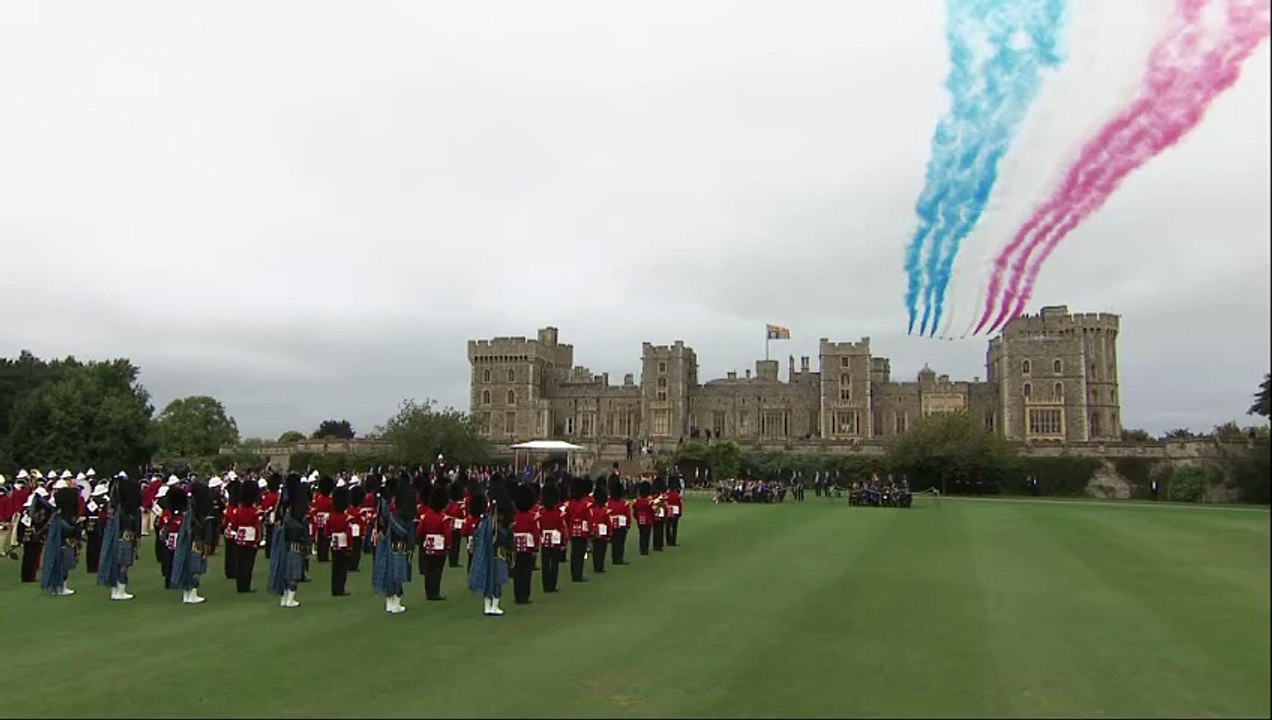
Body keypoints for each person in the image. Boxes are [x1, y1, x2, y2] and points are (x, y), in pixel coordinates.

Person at [468, 477, 513, 616]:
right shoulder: (494, 523)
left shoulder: (484, 522)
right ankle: (494, 605)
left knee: (489, 579)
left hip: (487, 554)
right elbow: (503, 537)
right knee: (497, 580)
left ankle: (488, 606)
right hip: (497, 553)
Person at [371, 475, 415, 614]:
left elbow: (379, 523)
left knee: (387, 572)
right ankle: (395, 602)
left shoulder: (383, 503)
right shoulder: (398, 506)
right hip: (396, 541)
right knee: (397, 572)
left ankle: (389, 602)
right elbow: (404, 527)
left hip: (385, 541)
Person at [267, 474, 309, 609]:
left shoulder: (282, 500)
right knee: (294, 569)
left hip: (281, 538)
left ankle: (284, 598)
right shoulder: (299, 499)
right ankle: (290, 598)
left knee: (283, 568)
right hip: (294, 538)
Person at [97, 474, 140, 600]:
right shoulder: (127, 511)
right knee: (123, 564)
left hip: (118, 537)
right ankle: (120, 590)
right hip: (125, 537)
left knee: (116, 563)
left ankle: (115, 590)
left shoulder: (116, 509)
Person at [169, 484, 211, 605]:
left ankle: (186, 594)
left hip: (187, 543)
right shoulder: (200, 514)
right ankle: (192, 593)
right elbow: (204, 533)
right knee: (196, 568)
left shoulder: (188, 512)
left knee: (188, 567)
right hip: (196, 542)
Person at [39, 485, 81, 596]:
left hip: (59, 543)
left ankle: (56, 586)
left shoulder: (57, 514)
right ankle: (61, 587)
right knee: (63, 565)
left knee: (59, 564)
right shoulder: (65, 516)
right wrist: (76, 528)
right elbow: (69, 529)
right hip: (64, 543)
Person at [417, 483, 451, 601]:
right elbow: (447, 534)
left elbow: (420, 532)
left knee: (429, 570)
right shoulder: (443, 518)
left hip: (428, 546)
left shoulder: (425, 517)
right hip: (439, 547)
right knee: (437, 570)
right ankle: (435, 592)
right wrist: (448, 546)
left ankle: (429, 592)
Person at [227, 480, 262, 593]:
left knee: (240, 563)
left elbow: (234, 526)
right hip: (250, 540)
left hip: (239, 539)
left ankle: (240, 586)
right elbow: (257, 527)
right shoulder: (255, 512)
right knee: (248, 564)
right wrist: (257, 540)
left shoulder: (238, 511)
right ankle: (246, 586)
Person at [509, 482, 539, 605]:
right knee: (526, 572)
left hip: (516, 545)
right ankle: (524, 595)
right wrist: (536, 546)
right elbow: (535, 534)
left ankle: (518, 595)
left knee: (517, 571)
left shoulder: (514, 517)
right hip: (528, 546)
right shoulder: (532, 517)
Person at [536, 482, 565, 593]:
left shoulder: (541, 512)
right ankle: (552, 584)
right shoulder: (558, 513)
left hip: (545, 540)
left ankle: (546, 585)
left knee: (545, 563)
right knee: (554, 563)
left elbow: (539, 527)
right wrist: (563, 542)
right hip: (556, 540)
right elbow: (561, 529)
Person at [327, 486, 353, 597]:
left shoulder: (331, 516)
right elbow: (348, 533)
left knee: (335, 566)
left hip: (334, 542)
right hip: (343, 543)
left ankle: (335, 588)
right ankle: (340, 588)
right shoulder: (345, 517)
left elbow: (327, 531)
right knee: (342, 567)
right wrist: (350, 547)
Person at [566, 476, 592, 582]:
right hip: (582, 530)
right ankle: (578, 574)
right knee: (580, 553)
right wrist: (591, 531)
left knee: (574, 552)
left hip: (572, 529)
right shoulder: (585, 504)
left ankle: (574, 573)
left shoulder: (570, 504)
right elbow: (589, 518)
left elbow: (567, 518)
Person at [606, 477, 633, 566]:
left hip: (612, 524)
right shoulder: (624, 503)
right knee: (620, 542)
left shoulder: (609, 503)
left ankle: (614, 558)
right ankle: (619, 558)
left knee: (614, 542)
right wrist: (628, 524)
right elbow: (627, 515)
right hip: (621, 524)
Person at [588, 483, 611, 574]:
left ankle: (596, 566)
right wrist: (609, 533)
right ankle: (600, 566)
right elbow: (608, 523)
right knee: (602, 549)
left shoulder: (591, 509)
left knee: (596, 549)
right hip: (603, 531)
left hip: (594, 531)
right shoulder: (605, 510)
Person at [346, 485, 367, 573]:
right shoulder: (358, 512)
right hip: (356, 531)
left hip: (350, 531)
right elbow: (361, 522)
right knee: (356, 549)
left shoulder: (349, 510)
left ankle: (349, 563)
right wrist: (363, 532)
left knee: (351, 548)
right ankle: (353, 564)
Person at [221, 479, 239, 581]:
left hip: (228, 530)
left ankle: (230, 571)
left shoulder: (229, 507)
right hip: (234, 530)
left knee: (229, 552)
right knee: (234, 552)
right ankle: (234, 570)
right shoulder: (234, 507)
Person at [445, 482, 465, 569]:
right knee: (456, 544)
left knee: (453, 543)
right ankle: (454, 561)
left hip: (450, 525)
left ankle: (452, 561)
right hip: (457, 525)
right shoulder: (460, 504)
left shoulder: (450, 504)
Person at [633, 480, 654, 556]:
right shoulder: (649, 501)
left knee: (641, 533)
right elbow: (652, 510)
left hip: (640, 518)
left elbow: (635, 509)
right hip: (648, 519)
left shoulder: (637, 501)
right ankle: (645, 549)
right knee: (646, 534)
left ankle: (642, 548)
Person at [665, 476, 684, 547]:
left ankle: (668, 540)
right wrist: (680, 512)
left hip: (668, 511)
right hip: (675, 511)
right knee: (674, 527)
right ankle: (673, 541)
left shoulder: (666, 495)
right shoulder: (677, 495)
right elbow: (679, 504)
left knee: (668, 526)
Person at [651, 476, 668, 552]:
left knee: (655, 529)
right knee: (660, 529)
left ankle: (656, 545)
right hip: (660, 512)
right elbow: (665, 506)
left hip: (655, 512)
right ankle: (659, 545)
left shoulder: (653, 496)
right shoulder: (662, 496)